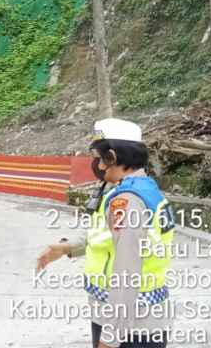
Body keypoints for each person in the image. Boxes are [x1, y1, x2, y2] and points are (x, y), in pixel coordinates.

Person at [36, 118, 174, 348]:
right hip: (129, 319)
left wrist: (110, 338)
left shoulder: (127, 201)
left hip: (129, 328)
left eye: (100, 159)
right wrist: (67, 247)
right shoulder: (140, 189)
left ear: (112, 157)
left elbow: (127, 273)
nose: (98, 166)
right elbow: (106, 236)